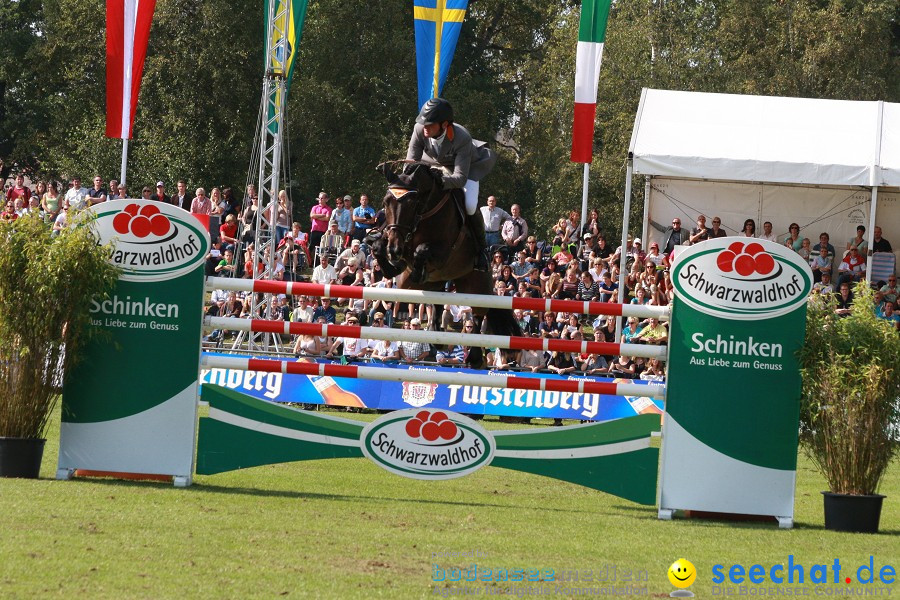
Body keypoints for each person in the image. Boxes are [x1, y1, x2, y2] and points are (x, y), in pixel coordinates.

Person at [406, 97, 497, 270]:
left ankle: (481, 250)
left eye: (430, 124)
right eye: (423, 123)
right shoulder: (419, 129)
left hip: (466, 168)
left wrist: (438, 180)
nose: (425, 128)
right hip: (433, 163)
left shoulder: (461, 137)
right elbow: (410, 163)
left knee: (469, 205)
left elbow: (459, 178)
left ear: (444, 124)